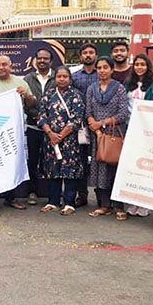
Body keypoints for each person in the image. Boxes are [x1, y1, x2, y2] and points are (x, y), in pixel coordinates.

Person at [0, 54, 36, 213]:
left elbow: (31, 104)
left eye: (4, 64)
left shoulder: (20, 82)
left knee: (12, 165)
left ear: (10, 66)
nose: (1, 68)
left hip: (12, 132)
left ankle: (11, 198)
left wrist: (26, 95)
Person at [85, 57, 131, 220]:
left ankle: (119, 205)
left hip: (115, 135)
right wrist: (96, 130)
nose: (102, 71)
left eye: (105, 67)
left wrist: (102, 123)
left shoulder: (119, 88)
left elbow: (123, 113)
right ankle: (104, 205)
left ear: (112, 70)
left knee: (114, 169)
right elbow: (88, 112)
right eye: (99, 68)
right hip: (97, 136)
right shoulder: (91, 88)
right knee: (99, 169)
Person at [37, 66, 85, 215]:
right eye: (59, 76)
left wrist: (61, 136)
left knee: (70, 171)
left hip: (69, 140)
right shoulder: (48, 94)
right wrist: (51, 134)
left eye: (65, 76)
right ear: (55, 78)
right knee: (53, 170)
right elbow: (42, 116)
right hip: (50, 140)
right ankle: (53, 201)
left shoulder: (76, 95)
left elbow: (76, 119)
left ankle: (69, 203)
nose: (62, 79)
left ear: (70, 79)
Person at [123, 53, 153, 216]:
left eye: (143, 64)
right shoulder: (128, 83)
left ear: (148, 66)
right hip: (129, 128)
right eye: (137, 64)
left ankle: (145, 203)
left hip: (146, 129)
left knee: (145, 167)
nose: (139, 67)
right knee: (131, 167)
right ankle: (132, 201)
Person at [19, 47, 55, 205]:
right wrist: (35, 115)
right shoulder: (27, 79)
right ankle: (32, 192)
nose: (42, 61)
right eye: (39, 58)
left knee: (53, 161)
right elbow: (25, 102)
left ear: (51, 61)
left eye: (45, 59)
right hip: (33, 127)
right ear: (35, 60)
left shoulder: (57, 77)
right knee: (32, 160)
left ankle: (52, 193)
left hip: (54, 129)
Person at [71, 43, 99, 207]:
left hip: (98, 123)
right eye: (85, 53)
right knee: (80, 160)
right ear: (81, 56)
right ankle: (82, 194)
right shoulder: (74, 77)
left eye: (91, 52)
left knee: (99, 158)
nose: (88, 55)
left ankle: (101, 195)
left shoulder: (101, 74)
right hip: (80, 124)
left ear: (95, 55)